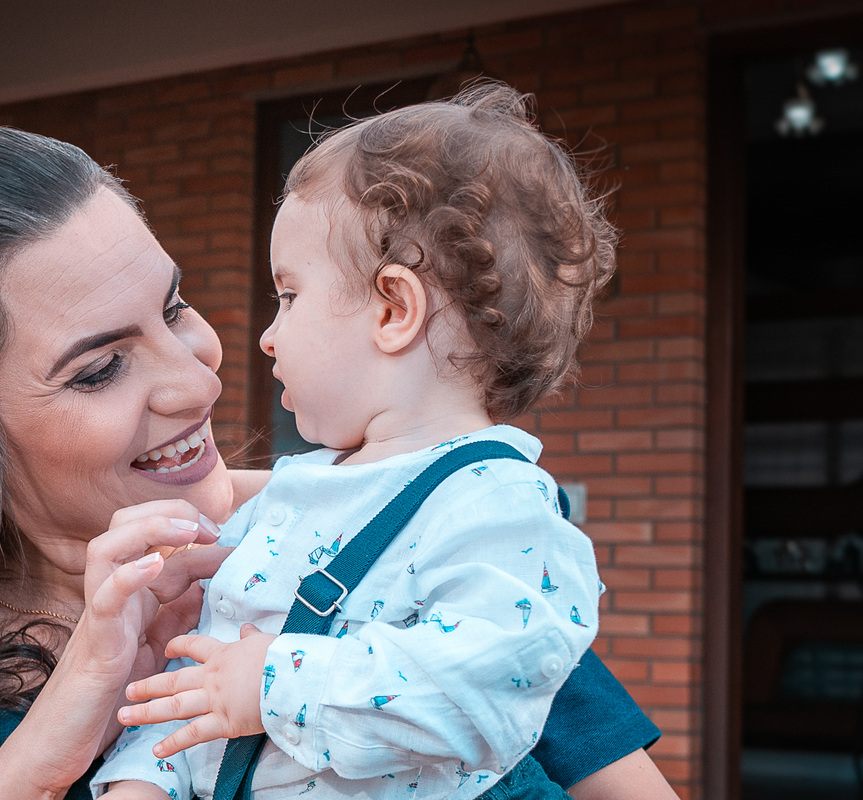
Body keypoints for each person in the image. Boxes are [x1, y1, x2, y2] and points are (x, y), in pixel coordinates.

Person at [0, 124, 674, 800]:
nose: (195, 379)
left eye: (174, 307)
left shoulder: (418, 548)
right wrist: (56, 732)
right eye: (100, 370)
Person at [93, 83, 618, 800]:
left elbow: (488, 690)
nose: (267, 337)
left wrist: (276, 682)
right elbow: (199, 684)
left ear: (395, 309)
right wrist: (141, 783)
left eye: (289, 296)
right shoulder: (288, 505)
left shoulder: (498, 506)